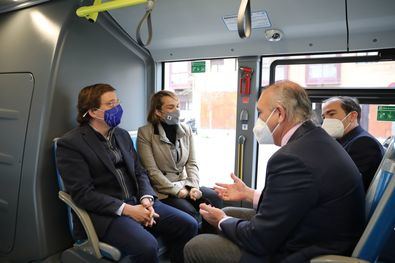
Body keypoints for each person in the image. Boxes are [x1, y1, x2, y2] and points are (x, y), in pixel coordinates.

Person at [184, 80, 365, 263]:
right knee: (230, 211)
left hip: (304, 250)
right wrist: (249, 194)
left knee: (198, 245)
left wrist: (222, 221)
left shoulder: (291, 158)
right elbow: (295, 201)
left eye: (261, 113)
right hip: (318, 231)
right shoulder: (317, 140)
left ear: (279, 113)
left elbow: (260, 239)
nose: (259, 121)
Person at [56, 84, 197, 263]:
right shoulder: (71, 144)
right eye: (110, 104)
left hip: (138, 201)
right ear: (93, 111)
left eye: (117, 102)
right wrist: (128, 210)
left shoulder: (121, 135)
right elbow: (83, 194)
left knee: (188, 225)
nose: (117, 108)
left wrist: (147, 198)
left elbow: (140, 171)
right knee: (147, 246)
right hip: (107, 213)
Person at [137, 90, 222, 231]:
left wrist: (193, 186)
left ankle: (208, 241)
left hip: (186, 184)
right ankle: (193, 249)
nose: (176, 111)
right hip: (164, 189)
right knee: (190, 211)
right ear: (158, 111)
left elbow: (192, 163)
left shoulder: (186, 129)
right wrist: (178, 191)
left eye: (178, 106)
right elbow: (152, 172)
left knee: (214, 198)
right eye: (171, 107)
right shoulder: (145, 133)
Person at [321, 96, 384, 191]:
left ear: (352, 116)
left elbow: (347, 185)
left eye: (331, 114)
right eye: (324, 117)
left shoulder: (363, 143)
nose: (326, 120)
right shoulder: (342, 140)